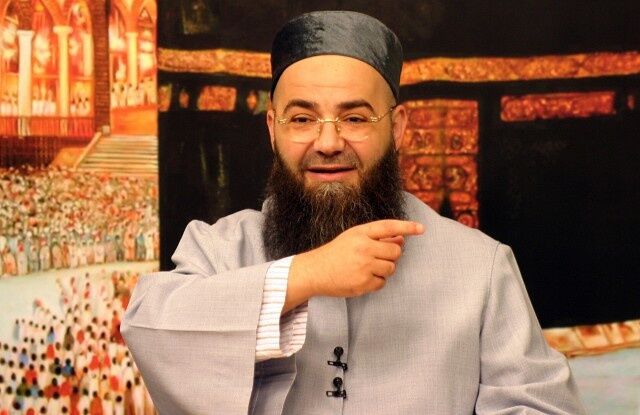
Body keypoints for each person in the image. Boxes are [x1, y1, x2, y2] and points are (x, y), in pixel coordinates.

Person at [121, 10, 585, 414]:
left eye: (355, 118)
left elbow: (541, 405)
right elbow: (149, 327)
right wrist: (305, 275)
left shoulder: (480, 266)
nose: (328, 142)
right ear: (272, 129)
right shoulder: (220, 247)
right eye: (302, 119)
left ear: (398, 129)